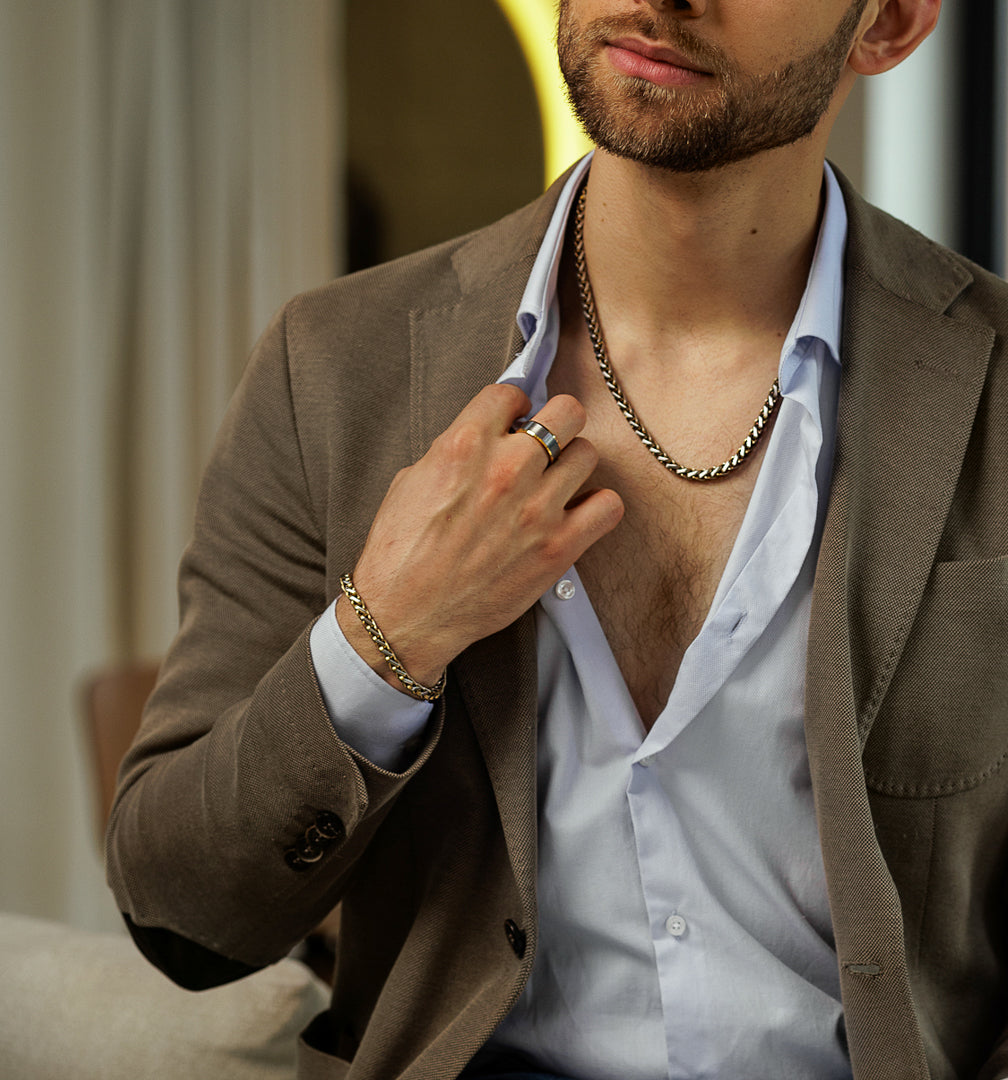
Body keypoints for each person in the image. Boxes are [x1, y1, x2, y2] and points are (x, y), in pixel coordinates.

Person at [107, 0, 1008, 1077]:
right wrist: (381, 639)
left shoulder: (992, 390)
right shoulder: (333, 368)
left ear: (892, 23)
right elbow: (180, 916)